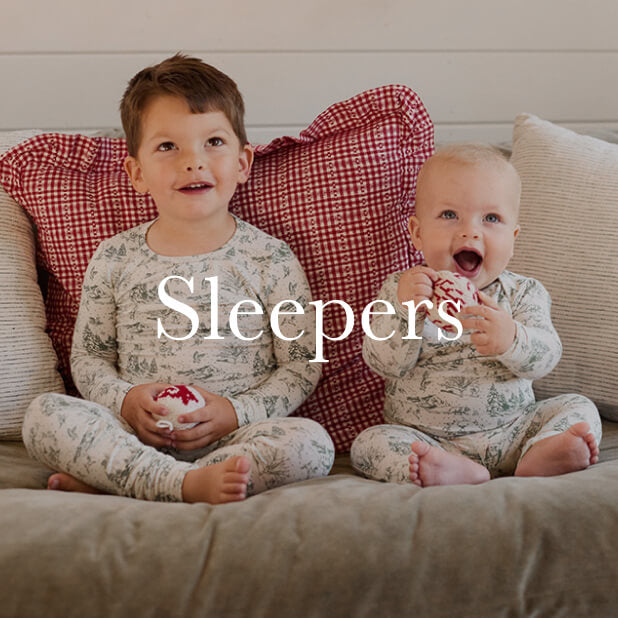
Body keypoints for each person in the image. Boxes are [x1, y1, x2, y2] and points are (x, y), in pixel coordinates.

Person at [22, 53, 334, 504]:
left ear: (244, 162)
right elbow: (89, 361)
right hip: (132, 435)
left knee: (312, 444)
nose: (193, 161)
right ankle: (174, 483)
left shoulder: (270, 257)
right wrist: (127, 402)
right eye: (168, 147)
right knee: (45, 415)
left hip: (235, 440)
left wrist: (235, 412)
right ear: (136, 172)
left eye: (213, 142)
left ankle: (133, 483)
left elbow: (302, 364)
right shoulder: (115, 256)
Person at [350, 143, 601, 487]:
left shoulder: (523, 293)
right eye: (450, 215)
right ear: (417, 233)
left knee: (578, 407)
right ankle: (447, 469)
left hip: (514, 429)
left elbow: (546, 357)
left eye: (491, 219)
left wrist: (511, 339)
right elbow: (382, 363)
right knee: (368, 444)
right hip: (427, 439)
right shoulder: (402, 289)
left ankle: (540, 452)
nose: (470, 231)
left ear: (512, 241)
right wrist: (406, 312)